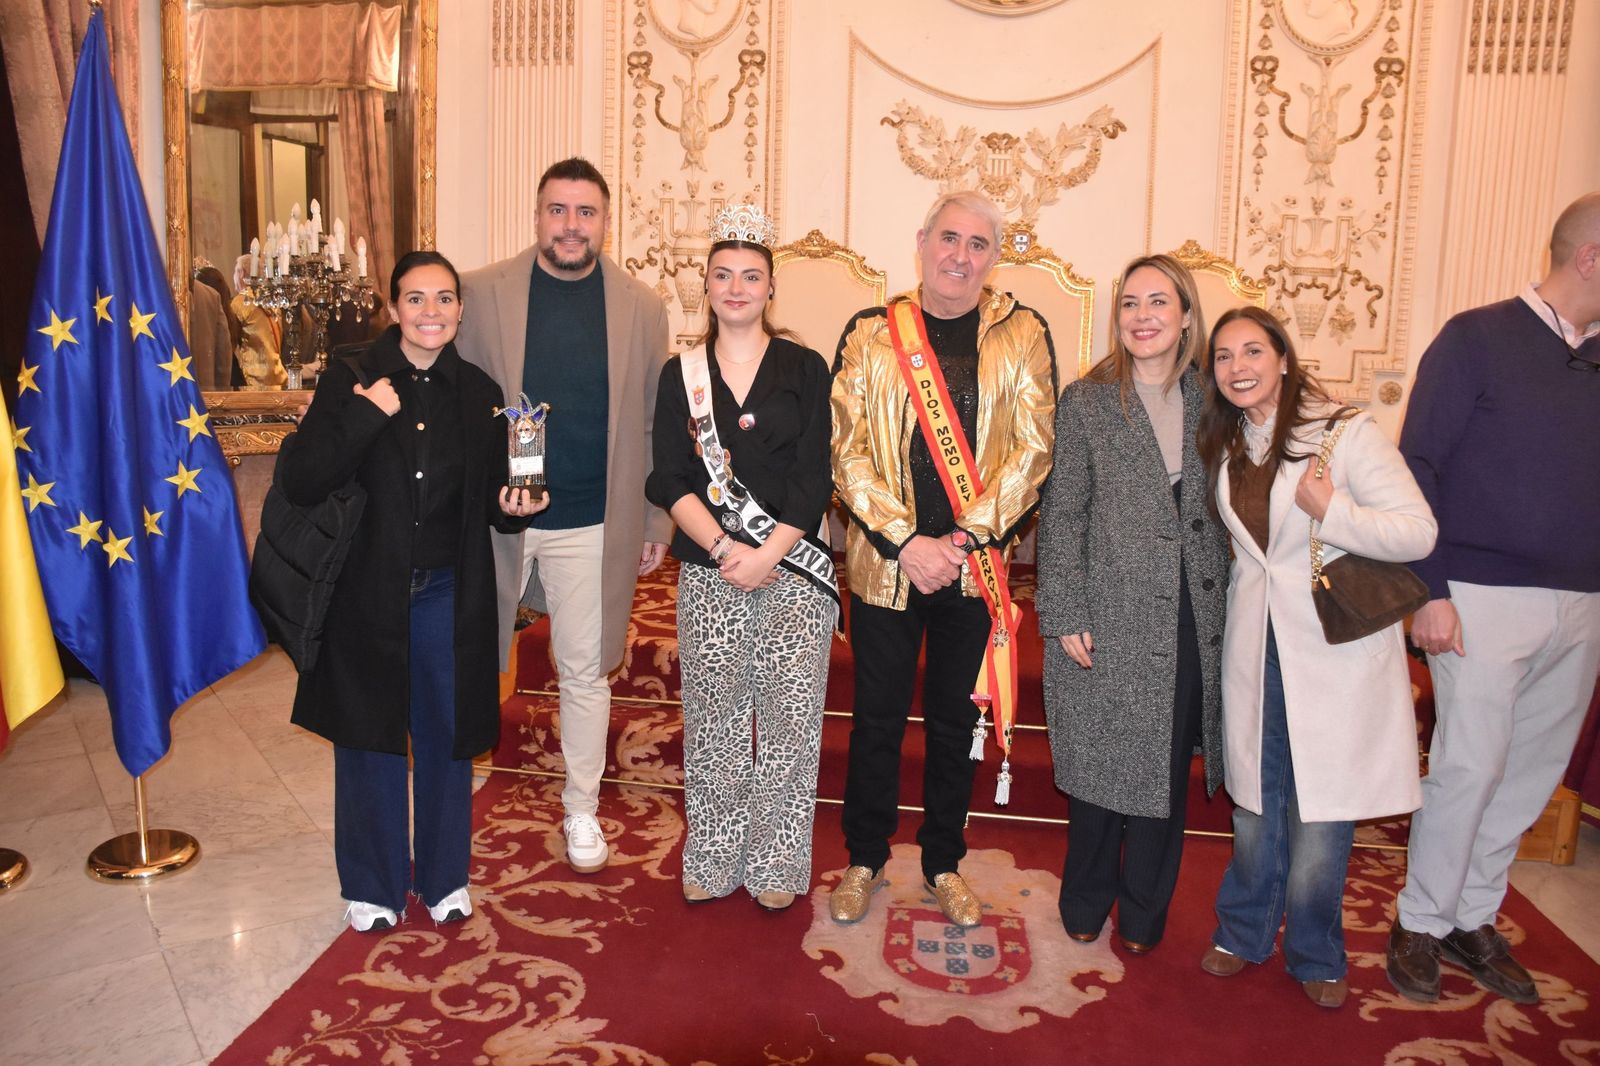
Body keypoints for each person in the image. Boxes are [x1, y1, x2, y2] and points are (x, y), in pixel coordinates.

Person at [283, 250, 546, 931]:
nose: (431, 312)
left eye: (444, 299)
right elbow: (303, 480)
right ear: (394, 308)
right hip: (365, 593)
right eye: (416, 298)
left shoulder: (481, 391)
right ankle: (371, 886)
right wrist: (365, 414)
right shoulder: (353, 379)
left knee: (445, 735)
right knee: (369, 737)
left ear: (460, 310)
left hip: (444, 592)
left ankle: (443, 877)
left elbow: (487, 498)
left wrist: (511, 505)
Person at [1386, 192, 1600, 1005]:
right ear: (1589, 257)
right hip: (1479, 594)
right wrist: (1429, 592)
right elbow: (1420, 469)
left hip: (1583, 601)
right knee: (1469, 766)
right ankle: (1420, 917)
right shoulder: (1476, 338)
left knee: (1530, 773)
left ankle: (1473, 915)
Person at [1195, 305, 1436, 1008]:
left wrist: (1335, 511)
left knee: (1321, 809)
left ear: (1283, 358)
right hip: (1255, 645)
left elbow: (1418, 532)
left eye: (1252, 352)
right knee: (1253, 804)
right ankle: (1242, 932)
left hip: (1332, 653)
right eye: (1224, 357)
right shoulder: (1225, 440)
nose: (1238, 367)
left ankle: (1315, 950)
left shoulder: (1345, 432)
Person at [828, 190, 1057, 928]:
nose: (960, 256)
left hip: (972, 568)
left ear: (995, 256)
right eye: (948, 239)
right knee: (877, 722)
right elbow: (846, 451)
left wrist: (961, 542)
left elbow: (1034, 451)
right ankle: (864, 857)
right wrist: (907, 541)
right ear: (921, 241)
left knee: (957, 726)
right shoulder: (871, 332)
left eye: (978, 244)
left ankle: (943, 863)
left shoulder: (1023, 333)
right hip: (886, 565)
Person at [456, 157, 671, 874]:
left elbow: (649, 424)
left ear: (606, 222)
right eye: (558, 210)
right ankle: (453, 793)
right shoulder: (483, 292)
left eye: (586, 213)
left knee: (586, 671)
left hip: (592, 521)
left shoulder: (641, 306)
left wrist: (653, 523)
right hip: (497, 523)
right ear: (538, 214)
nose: (571, 226)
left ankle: (581, 808)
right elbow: (454, 405)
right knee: (467, 656)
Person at [644, 204, 837, 911]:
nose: (735, 288)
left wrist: (770, 554)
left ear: (770, 287)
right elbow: (668, 477)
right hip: (709, 569)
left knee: (789, 719)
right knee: (715, 718)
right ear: (706, 284)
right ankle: (714, 853)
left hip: (793, 569)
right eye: (722, 275)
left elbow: (816, 477)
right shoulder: (680, 373)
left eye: (750, 276)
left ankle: (780, 861)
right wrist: (726, 547)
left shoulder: (804, 367)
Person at [1035, 254, 1230, 954]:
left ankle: (1146, 914)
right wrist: (1063, 612)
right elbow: (1063, 517)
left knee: (1166, 773)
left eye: (1158, 302)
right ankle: (1085, 899)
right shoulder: (1087, 400)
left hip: (1191, 615)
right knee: (1099, 765)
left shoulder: (1215, 401)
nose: (1142, 316)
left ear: (1184, 316)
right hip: (1107, 611)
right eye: (1130, 304)